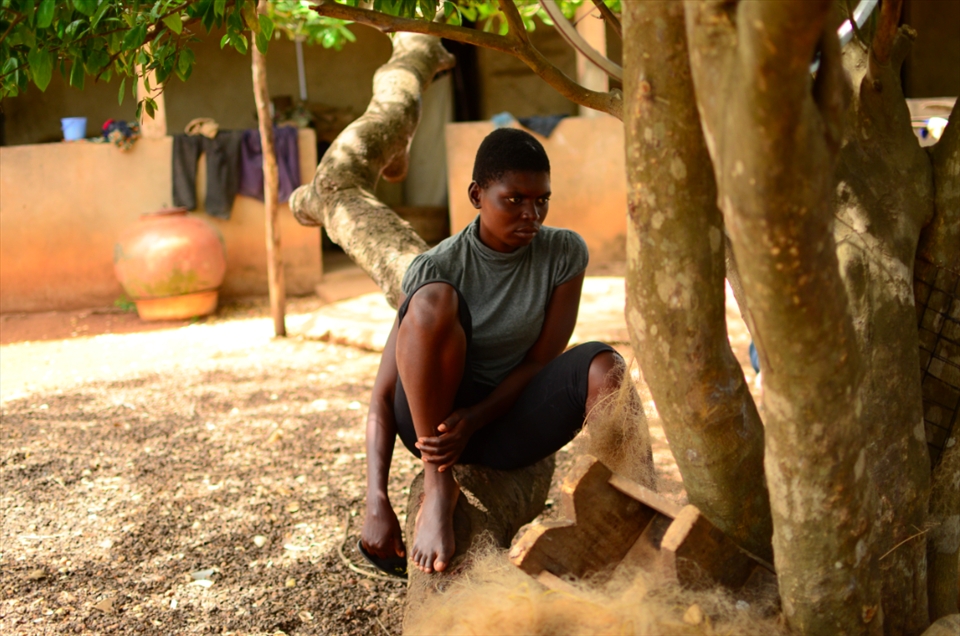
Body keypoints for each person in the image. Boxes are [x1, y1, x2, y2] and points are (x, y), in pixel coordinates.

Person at [360, 128, 624, 575]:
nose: (531, 215)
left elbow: (541, 361)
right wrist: (376, 501)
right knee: (433, 300)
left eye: (542, 200)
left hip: (505, 422)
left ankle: (619, 510)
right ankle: (439, 488)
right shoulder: (437, 266)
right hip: (433, 428)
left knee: (606, 366)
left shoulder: (562, 253)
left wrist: (478, 417)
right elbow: (384, 395)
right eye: (515, 199)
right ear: (477, 194)